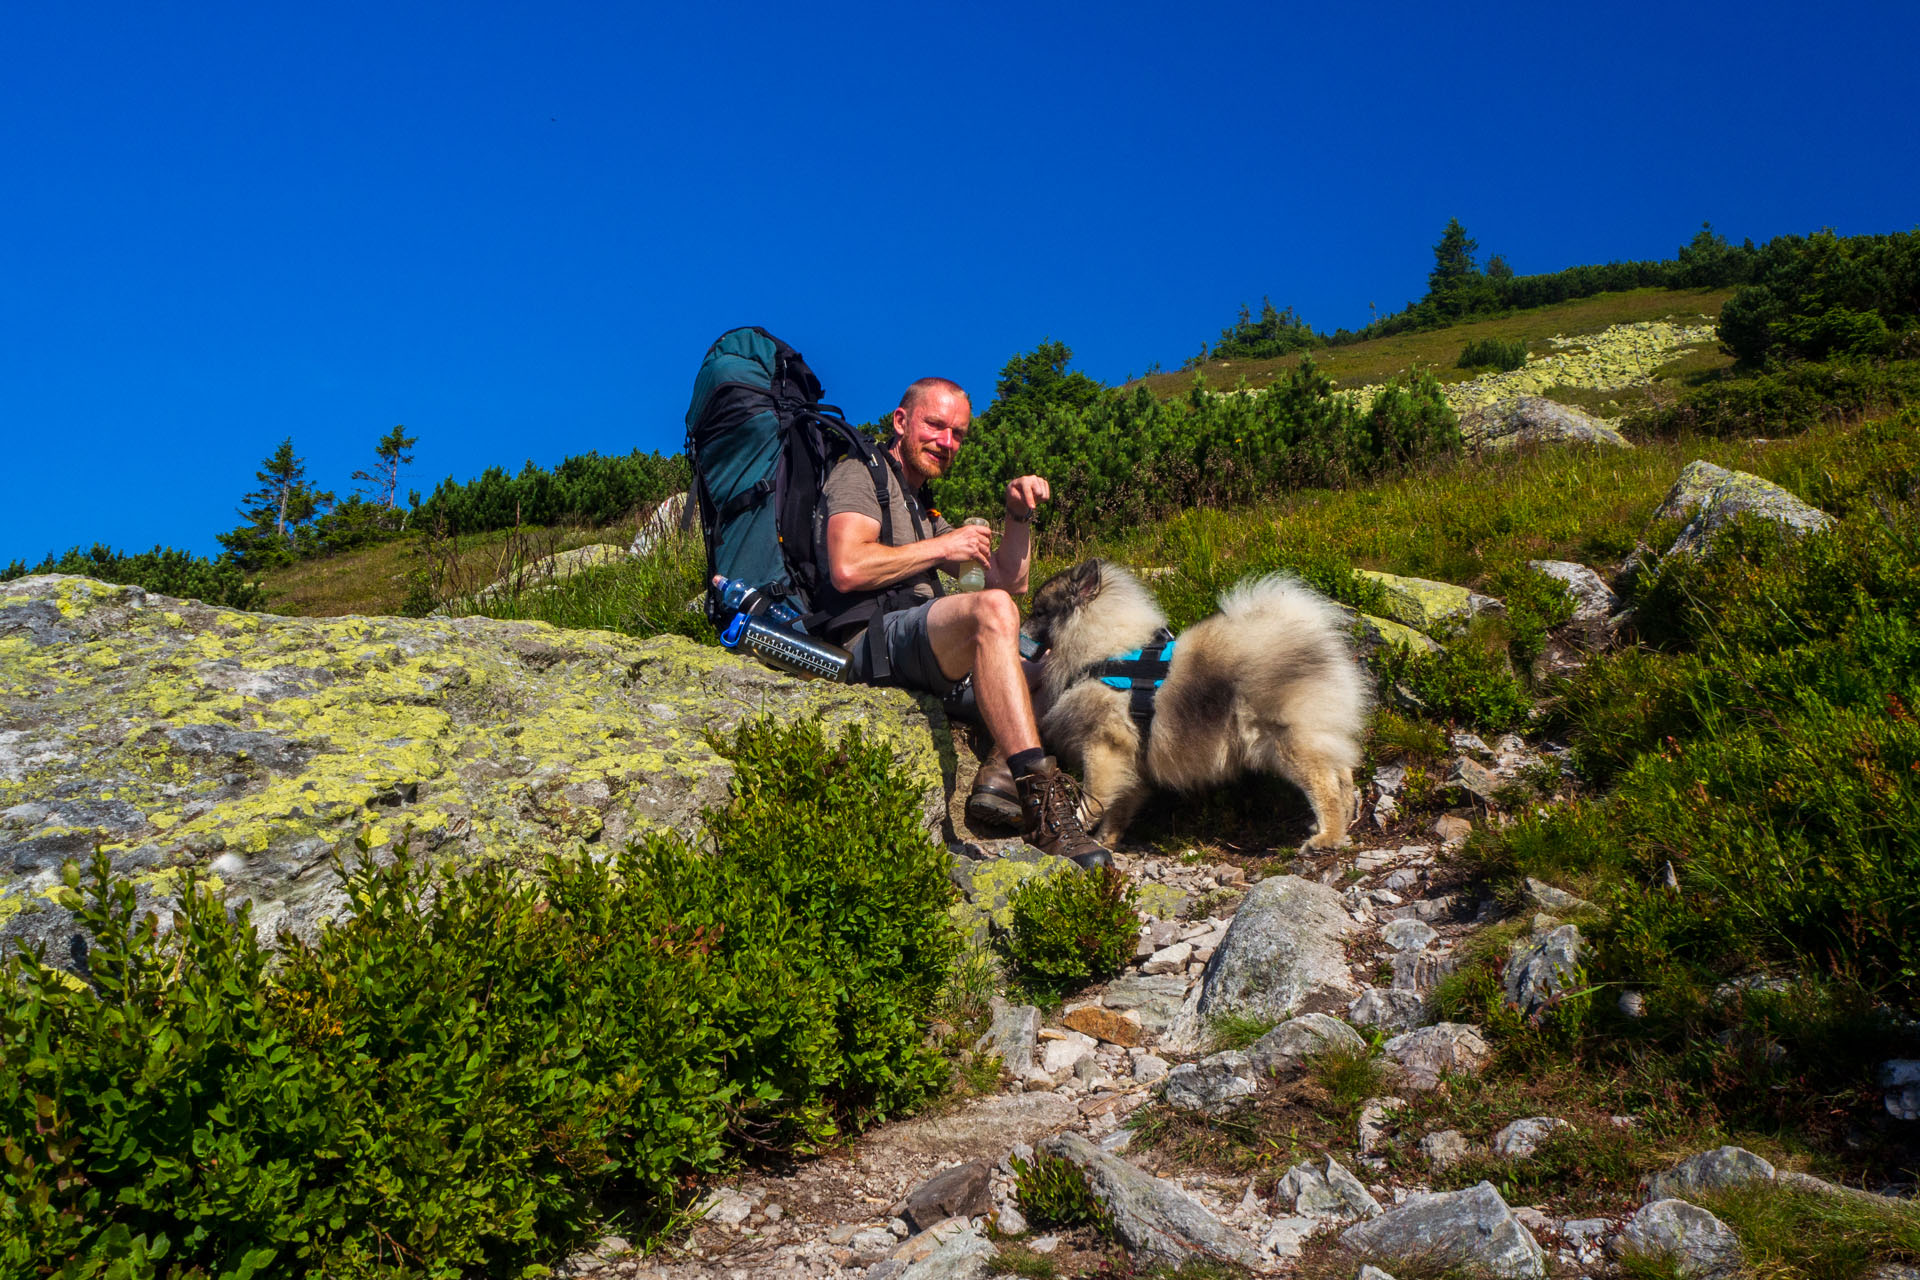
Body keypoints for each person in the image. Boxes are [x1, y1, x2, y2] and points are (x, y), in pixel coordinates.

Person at [818, 376, 1113, 871]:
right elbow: (848, 566)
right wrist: (942, 548)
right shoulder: (859, 475)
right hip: (870, 640)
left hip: (921, 645)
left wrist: (1017, 516)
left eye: (957, 433)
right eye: (935, 425)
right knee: (991, 613)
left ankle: (1000, 773)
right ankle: (1044, 810)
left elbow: (1006, 581)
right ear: (900, 421)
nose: (946, 442)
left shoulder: (923, 509)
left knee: (1060, 655)